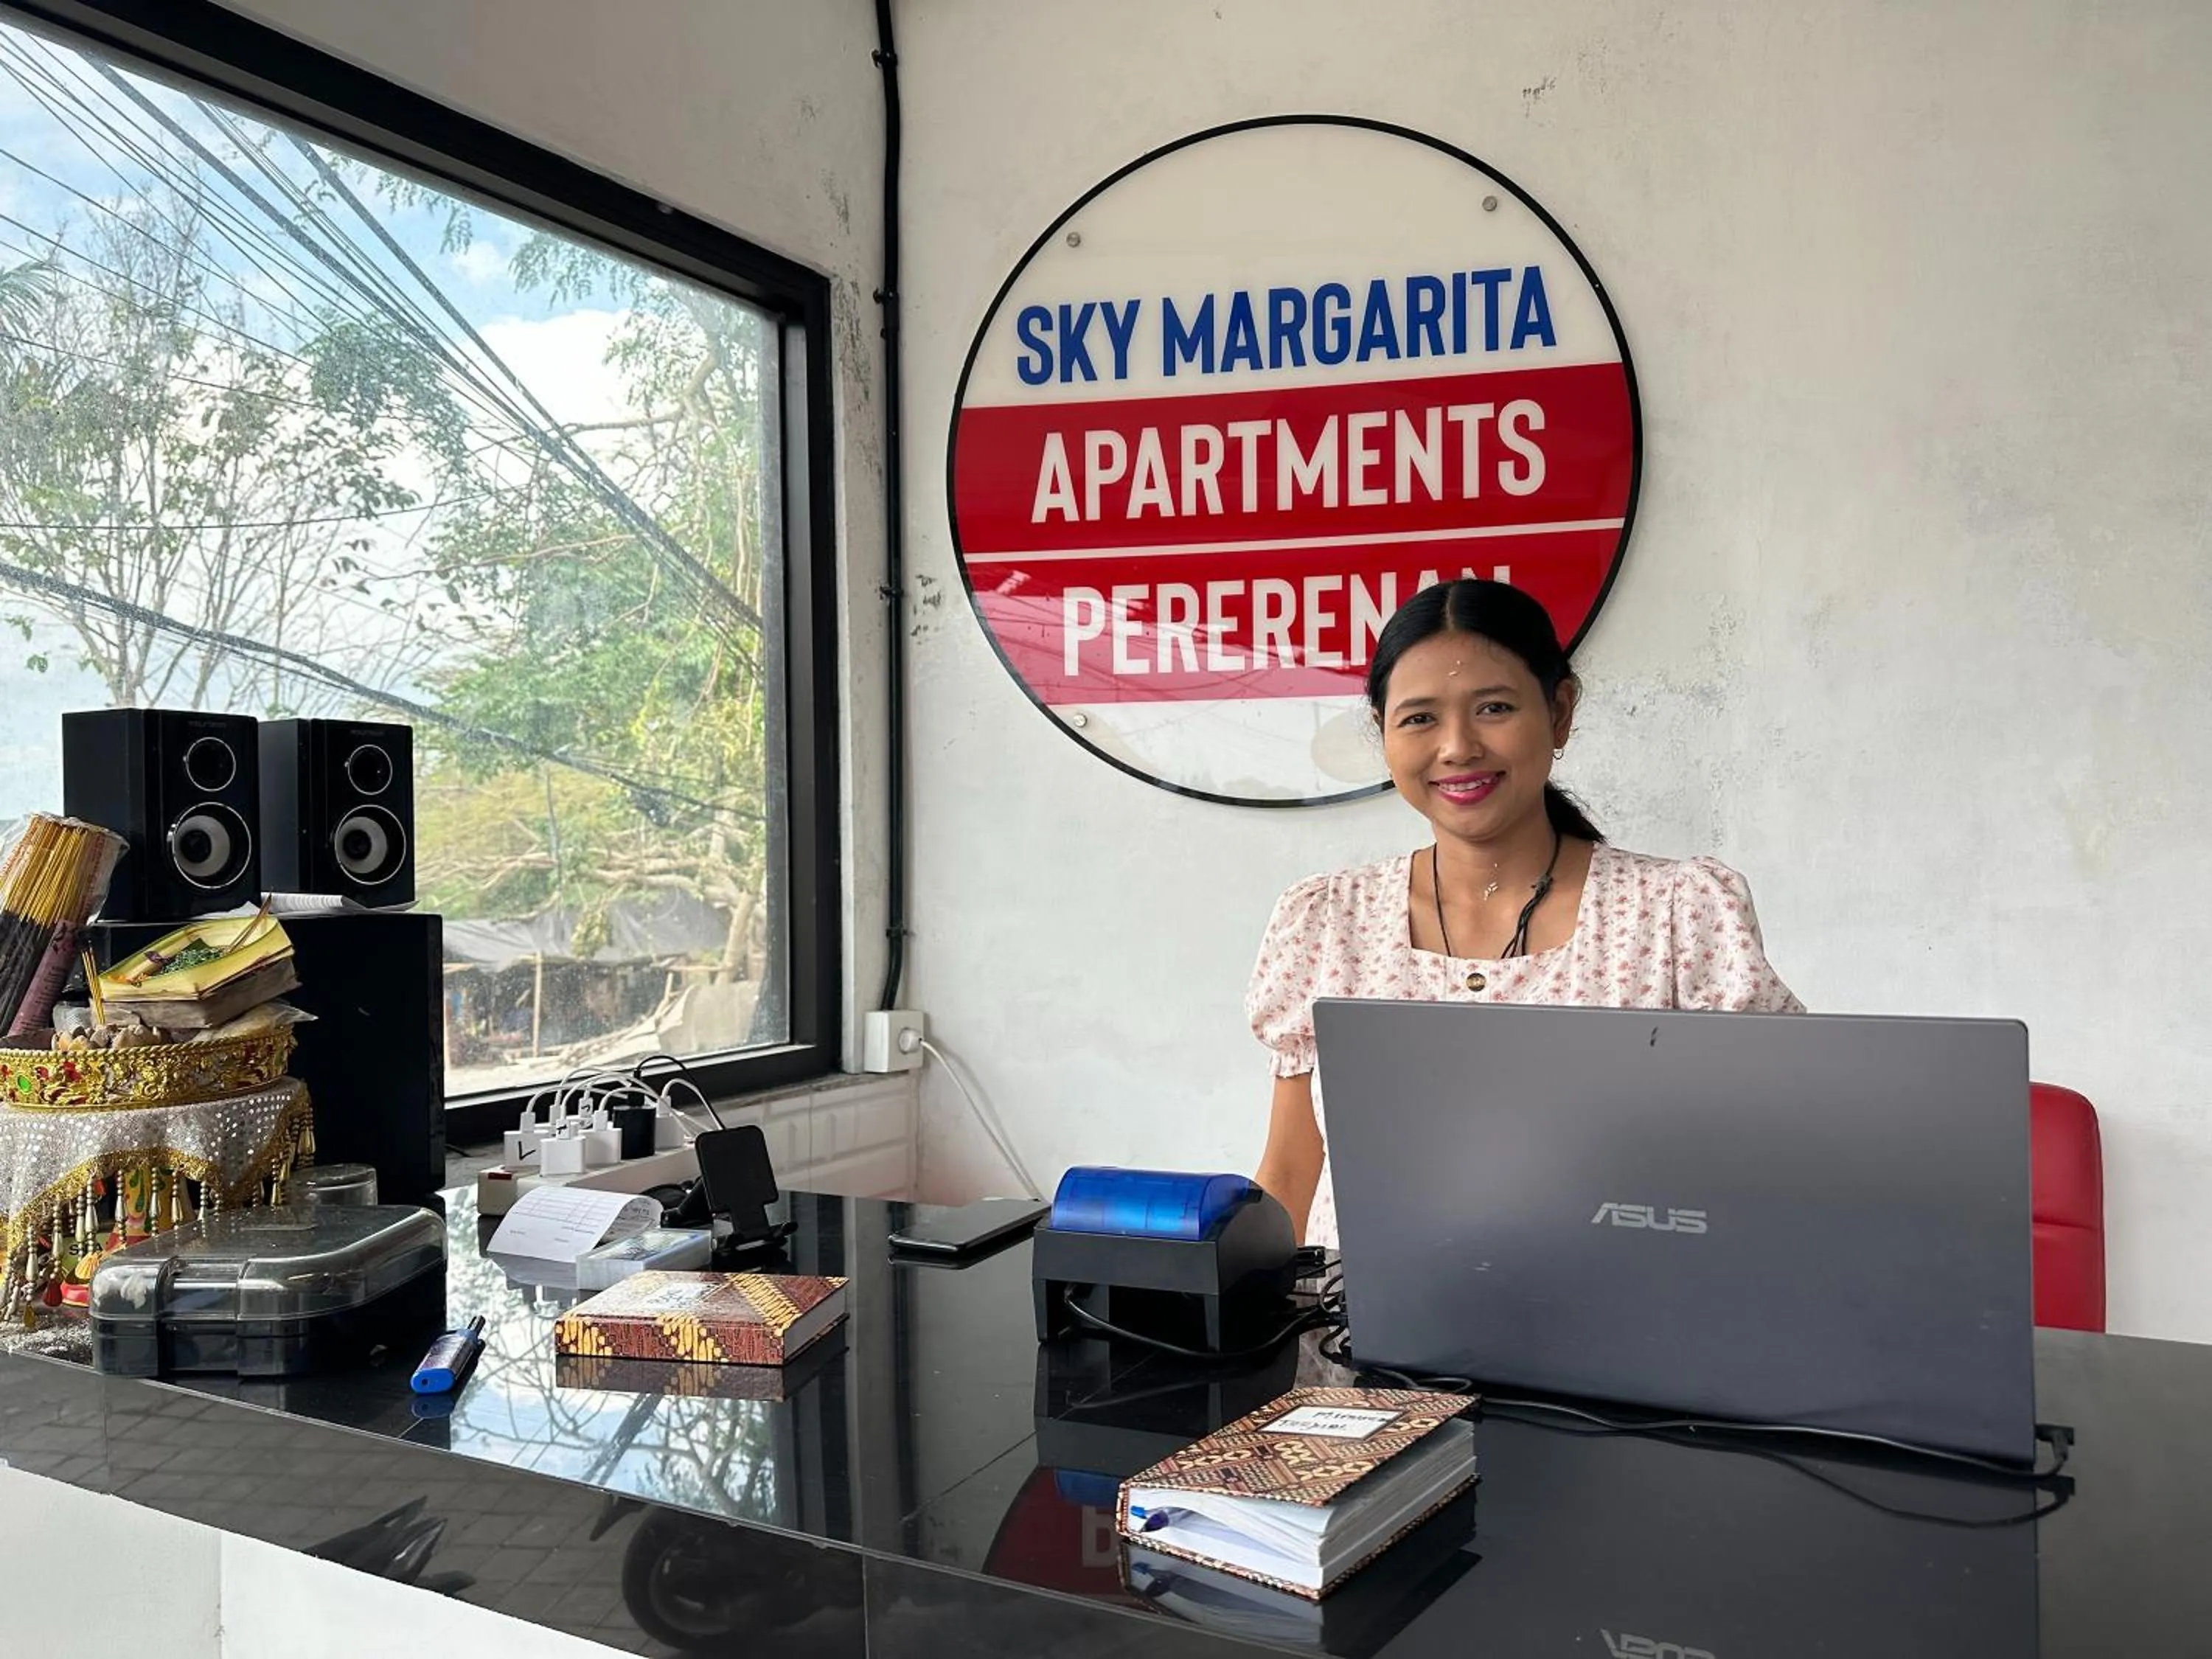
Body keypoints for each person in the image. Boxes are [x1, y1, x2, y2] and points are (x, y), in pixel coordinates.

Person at [1248, 579, 1801, 1248]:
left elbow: (1771, 1165)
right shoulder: (1328, 921)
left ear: (1560, 711)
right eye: (1420, 717)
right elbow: (1289, 1170)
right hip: (1365, 1339)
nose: (1457, 748)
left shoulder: (1678, 914)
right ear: (1383, 731)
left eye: (1494, 708)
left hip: (1625, 1330)